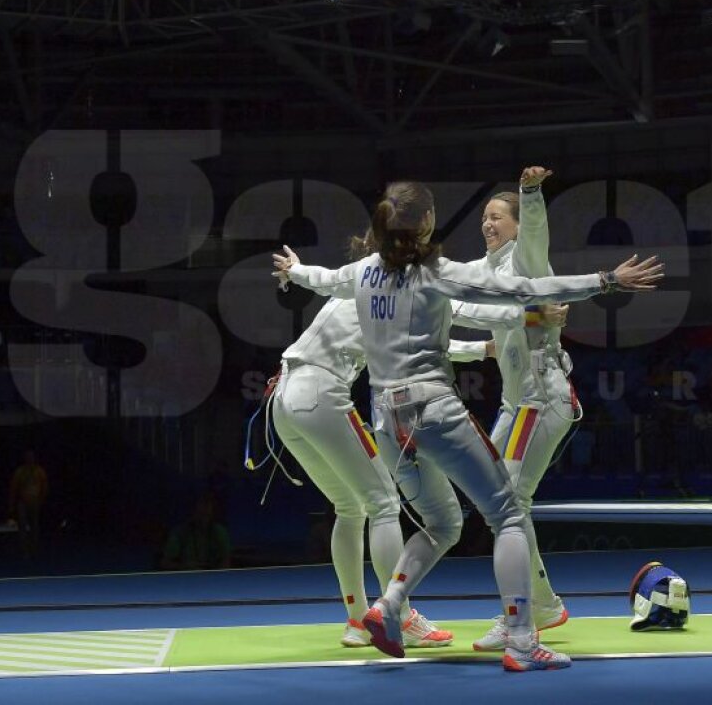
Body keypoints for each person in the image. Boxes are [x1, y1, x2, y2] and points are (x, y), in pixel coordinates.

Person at [274, 179, 662, 672]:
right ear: (427, 223)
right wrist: (605, 280)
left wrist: (295, 269)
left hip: (387, 421)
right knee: (509, 515)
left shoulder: (364, 273)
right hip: (432, 411)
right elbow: (520, 288)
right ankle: (523, 639)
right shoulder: (435, 272)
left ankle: (389, 606)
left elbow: (323, 279)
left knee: (442, 523)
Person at [268, 268, 547, 648]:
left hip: (282, 396)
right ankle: (396, 615)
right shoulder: (383, 294)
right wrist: (526, 318)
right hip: (320, 393)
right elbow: (441, 328)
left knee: (348, 507)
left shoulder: (351, 289)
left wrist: (483, 349)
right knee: (383, 503)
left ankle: (356, 620)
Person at [442, 167, 582, 651]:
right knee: (495, 504)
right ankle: (537, 603)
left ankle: (524, 612)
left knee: (512, 503)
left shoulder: (527, 260)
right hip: (514, 407)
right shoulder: (484, 271)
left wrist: (530, 193)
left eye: (497, 216)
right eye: (484, 216)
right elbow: (475, 328)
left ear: (519, 227)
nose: (487, 223)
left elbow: (537, 228)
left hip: (541, 400)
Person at [160, 494, 231, 570]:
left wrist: (215, 575)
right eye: (201, 514)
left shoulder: (220, 531)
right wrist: (185, 566)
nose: (204, 519)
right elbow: (165, 563)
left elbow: (226, 561)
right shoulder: (180, 532)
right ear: (192, 512)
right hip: (187, 577)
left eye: (207, 515)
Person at [9, 449, 48, 560]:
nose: (30, 459)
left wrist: (41, 500)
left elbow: (45, 486)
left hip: (35, 502)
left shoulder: (39, 471)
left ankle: (34, 550)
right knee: (22, 528)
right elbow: (13, 488)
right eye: (27, 457)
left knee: (35, 527)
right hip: (22, 503)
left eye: (31, 457)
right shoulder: (20, 471)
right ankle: (24, 551)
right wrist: (11, 505)